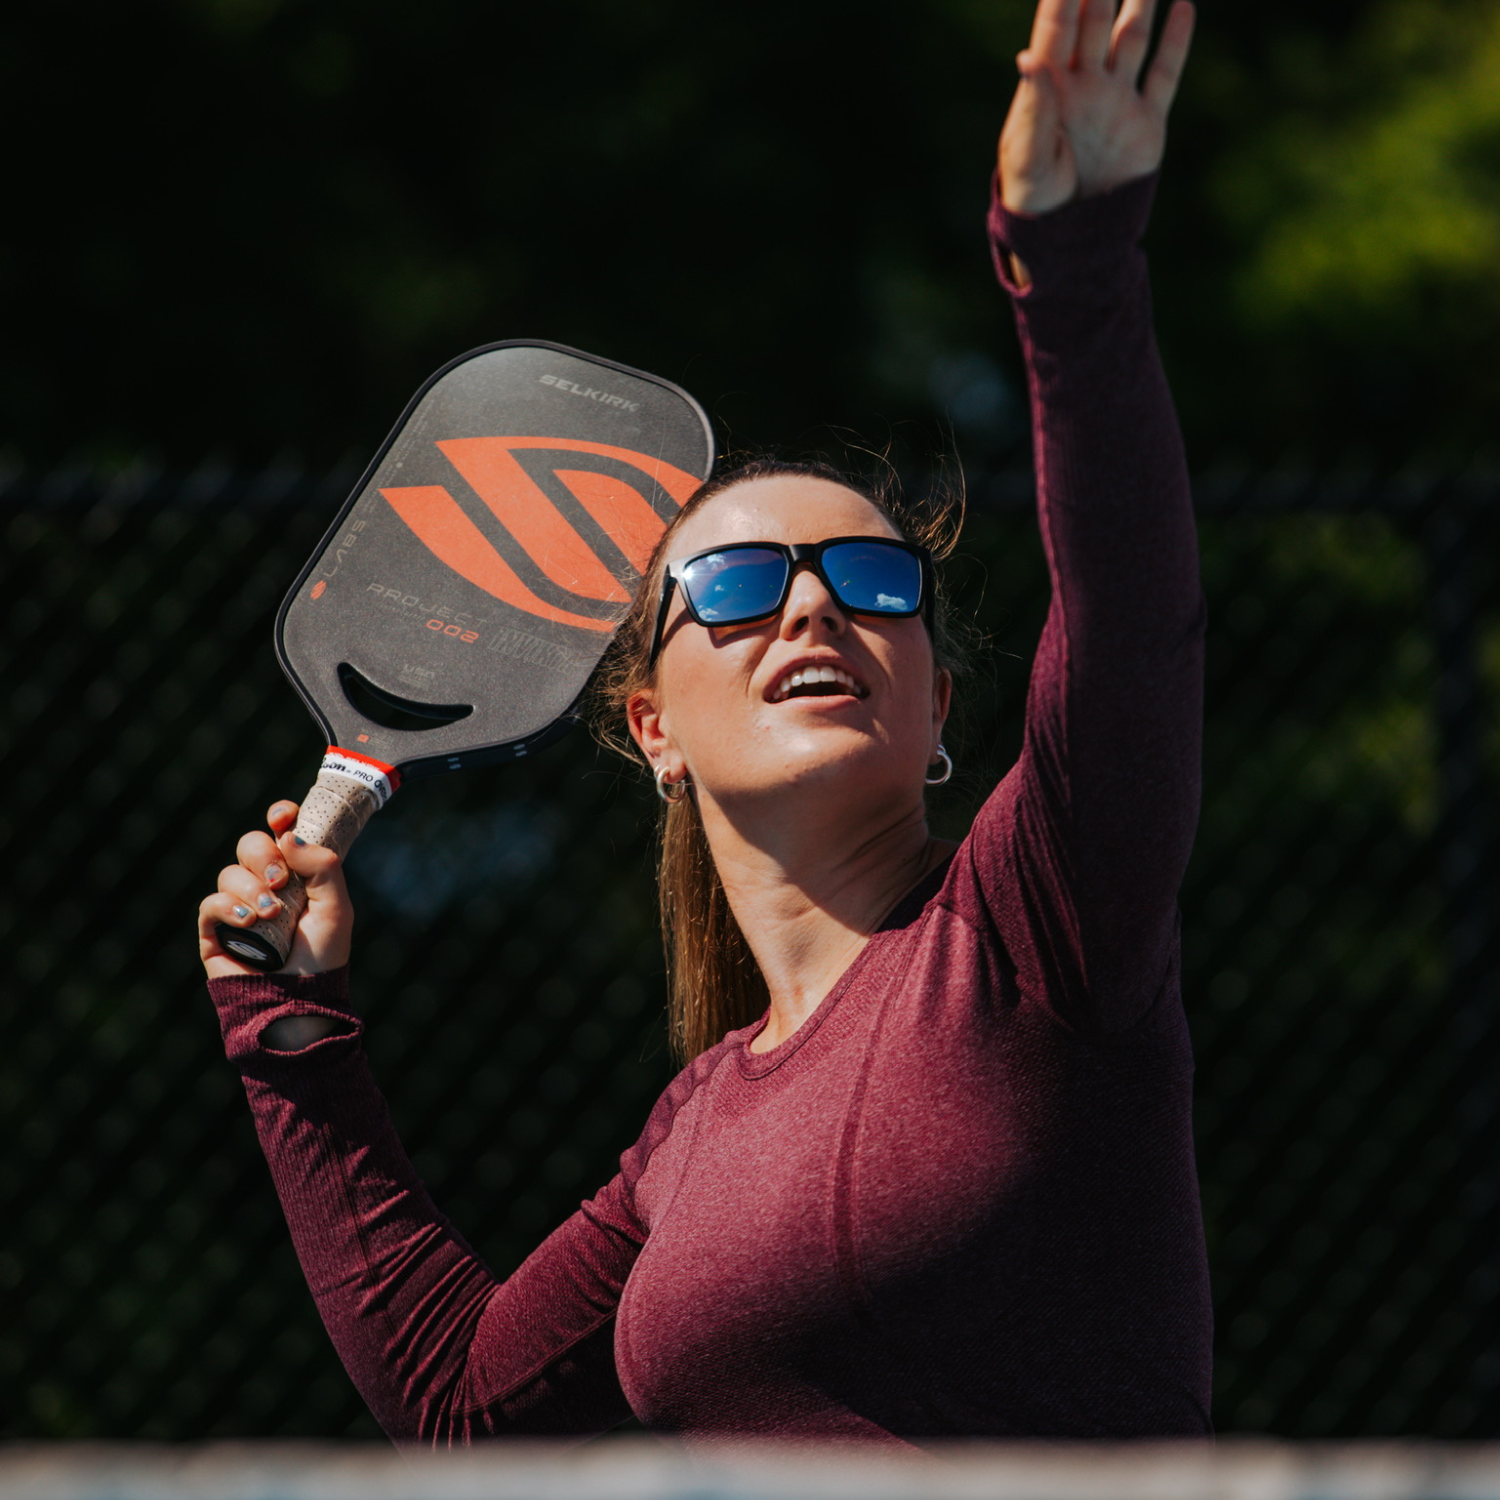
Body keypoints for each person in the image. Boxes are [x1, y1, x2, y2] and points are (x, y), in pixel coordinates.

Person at [199, 0, 1208, 1445]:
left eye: (873, 580)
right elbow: (459, 1402)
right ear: (650, 725)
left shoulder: (1037, 931)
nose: (812, 612)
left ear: (936, 708)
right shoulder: (690, 1135)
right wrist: (287, 1027)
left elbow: (1134, 630)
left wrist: (1076, 260)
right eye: (732, 585)